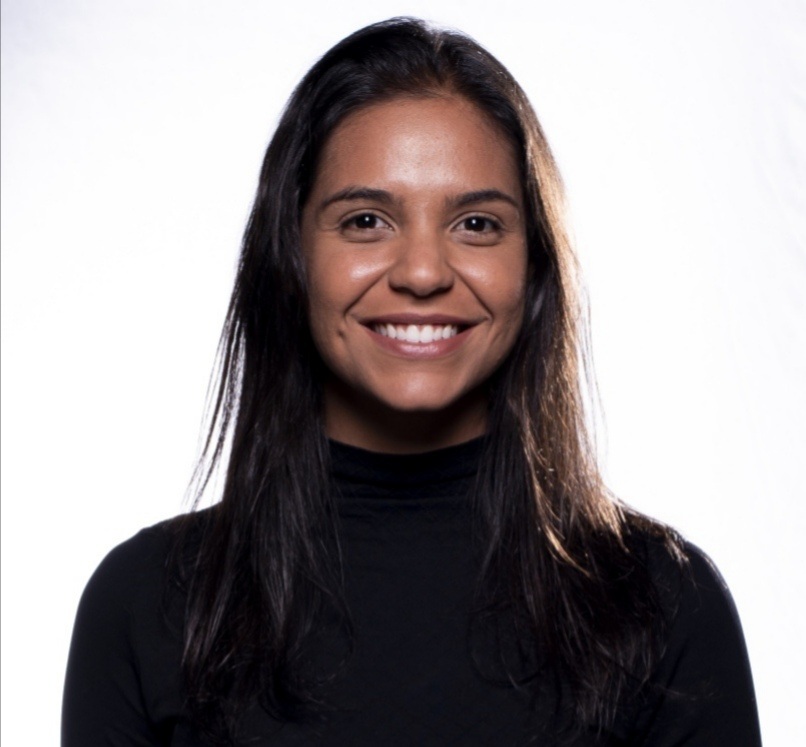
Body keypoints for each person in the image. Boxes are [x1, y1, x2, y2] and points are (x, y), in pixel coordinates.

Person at [62, 17, 762, 746]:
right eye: (366, 220)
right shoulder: (146, 605)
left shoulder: (663, 605)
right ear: (290, 254)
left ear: (534, 266)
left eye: (477, 224)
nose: (423, 273)